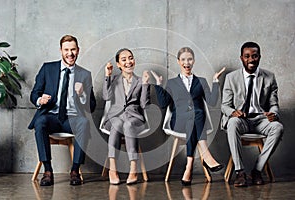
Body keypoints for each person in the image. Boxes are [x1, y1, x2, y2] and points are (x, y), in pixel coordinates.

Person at [28, 35, 96, 186]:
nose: (70, 53)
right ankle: (47, 171)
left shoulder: (85, 74)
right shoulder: (48, 68)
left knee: (84, 123)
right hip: (51, 116)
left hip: (72, 118)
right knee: (40, 122)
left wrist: (83, 94)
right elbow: (34, 93)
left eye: (73, 49)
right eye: (66, 50)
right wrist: (40, 100)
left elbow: (92, 106)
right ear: (61, 51)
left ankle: (75, 170)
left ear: (78, 50)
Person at [151, 47, 225, 186]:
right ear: (178, 62)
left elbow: (211, 101)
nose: (187, 62)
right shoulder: (172, 83)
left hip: (195, 122)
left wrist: (215, 81)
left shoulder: (201, 81)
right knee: (197, 113)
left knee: (195, 115)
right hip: (178, 121)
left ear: (194, 61)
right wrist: (159, 84)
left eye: (190, 59)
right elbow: (163, 103)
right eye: (183, 59)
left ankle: (189, 165)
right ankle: (206, 154)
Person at [221, 41, 284, 187]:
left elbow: (274, 104)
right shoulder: (231, 78)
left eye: (254, 56)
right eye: (247, 56)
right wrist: (233, 112)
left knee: (278, 127)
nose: (251, 60)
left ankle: (257, 170)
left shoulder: (269, 77)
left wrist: (273, 113)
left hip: (261, 119)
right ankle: (240, 172)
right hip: (241, 120)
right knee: (232, 122)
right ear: (241, 58)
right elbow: (224, 105)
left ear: (259, 57)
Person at [102, 48, 150, 185]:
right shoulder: (114, 79)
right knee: (117, 123)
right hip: (115, 117)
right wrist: (108, 75)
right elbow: (106, 96)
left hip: (134, 118)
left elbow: (144, 104)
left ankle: (133, 169)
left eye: (130, 58)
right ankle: (113, 170)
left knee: (128, 124)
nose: (128, 62)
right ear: (118, 64)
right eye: (124, 60)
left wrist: (146, 84)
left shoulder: (140, 80)